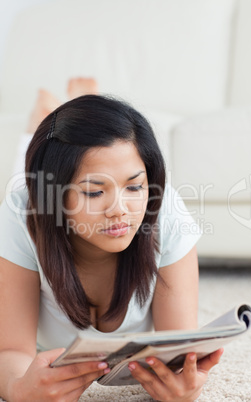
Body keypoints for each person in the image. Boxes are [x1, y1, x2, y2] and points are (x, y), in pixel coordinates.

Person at [0, 94, 223, 401]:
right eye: (93, 192)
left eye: (134, 186)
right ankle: (46, 110)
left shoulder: (165, 210)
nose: (119, 210)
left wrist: (183, 386)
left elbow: (178, 347)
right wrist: (17, 388)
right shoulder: (20, 212)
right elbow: (10, 351)